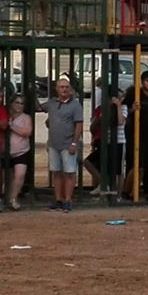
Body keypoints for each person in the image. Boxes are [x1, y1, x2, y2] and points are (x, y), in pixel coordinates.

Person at [37, 78, 83, 212]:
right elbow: (38, 108)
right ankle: (59, 200)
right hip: (54, 144)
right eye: (62, 87)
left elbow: (79, 125)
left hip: (68, 143)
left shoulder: (75, 105)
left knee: (69, 173)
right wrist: (32, 91)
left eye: (67, 87)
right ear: (57, 89)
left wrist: (74, 143)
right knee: (56, 173)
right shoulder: (51, 103)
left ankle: (67, 201)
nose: (64, 89)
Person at [122, 72, 148, 201]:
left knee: (147, 166)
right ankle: (127, 191)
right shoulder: (133, 95)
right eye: (147, 80)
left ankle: (146, 191)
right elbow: (122, 114)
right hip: (134, 135)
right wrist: (132, 110)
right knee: (136, 166)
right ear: (142, 82)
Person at [84, 89, 125, 196]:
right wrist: (99, 118)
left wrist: (118, 106)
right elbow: (93, 128)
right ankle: (103, 185)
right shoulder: (102, 109)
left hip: (119, 142)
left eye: (120, 98)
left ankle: (118, 195)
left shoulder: (122, 108)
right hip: (105, 142)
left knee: (118, 171)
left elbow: (120, 122)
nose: (119, 100)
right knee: (90, 162)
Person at [4, 94, 32, 211]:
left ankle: (13, 199)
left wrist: (11, 126)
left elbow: (27, 132)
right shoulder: (6, 115)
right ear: (11, 103)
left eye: (21, 103)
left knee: (19, 175)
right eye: (17, 102)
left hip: (22, 151)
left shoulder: (26, 118)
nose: (19, 105)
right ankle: (7, 198)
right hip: (6, 151)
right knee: (9, 177)